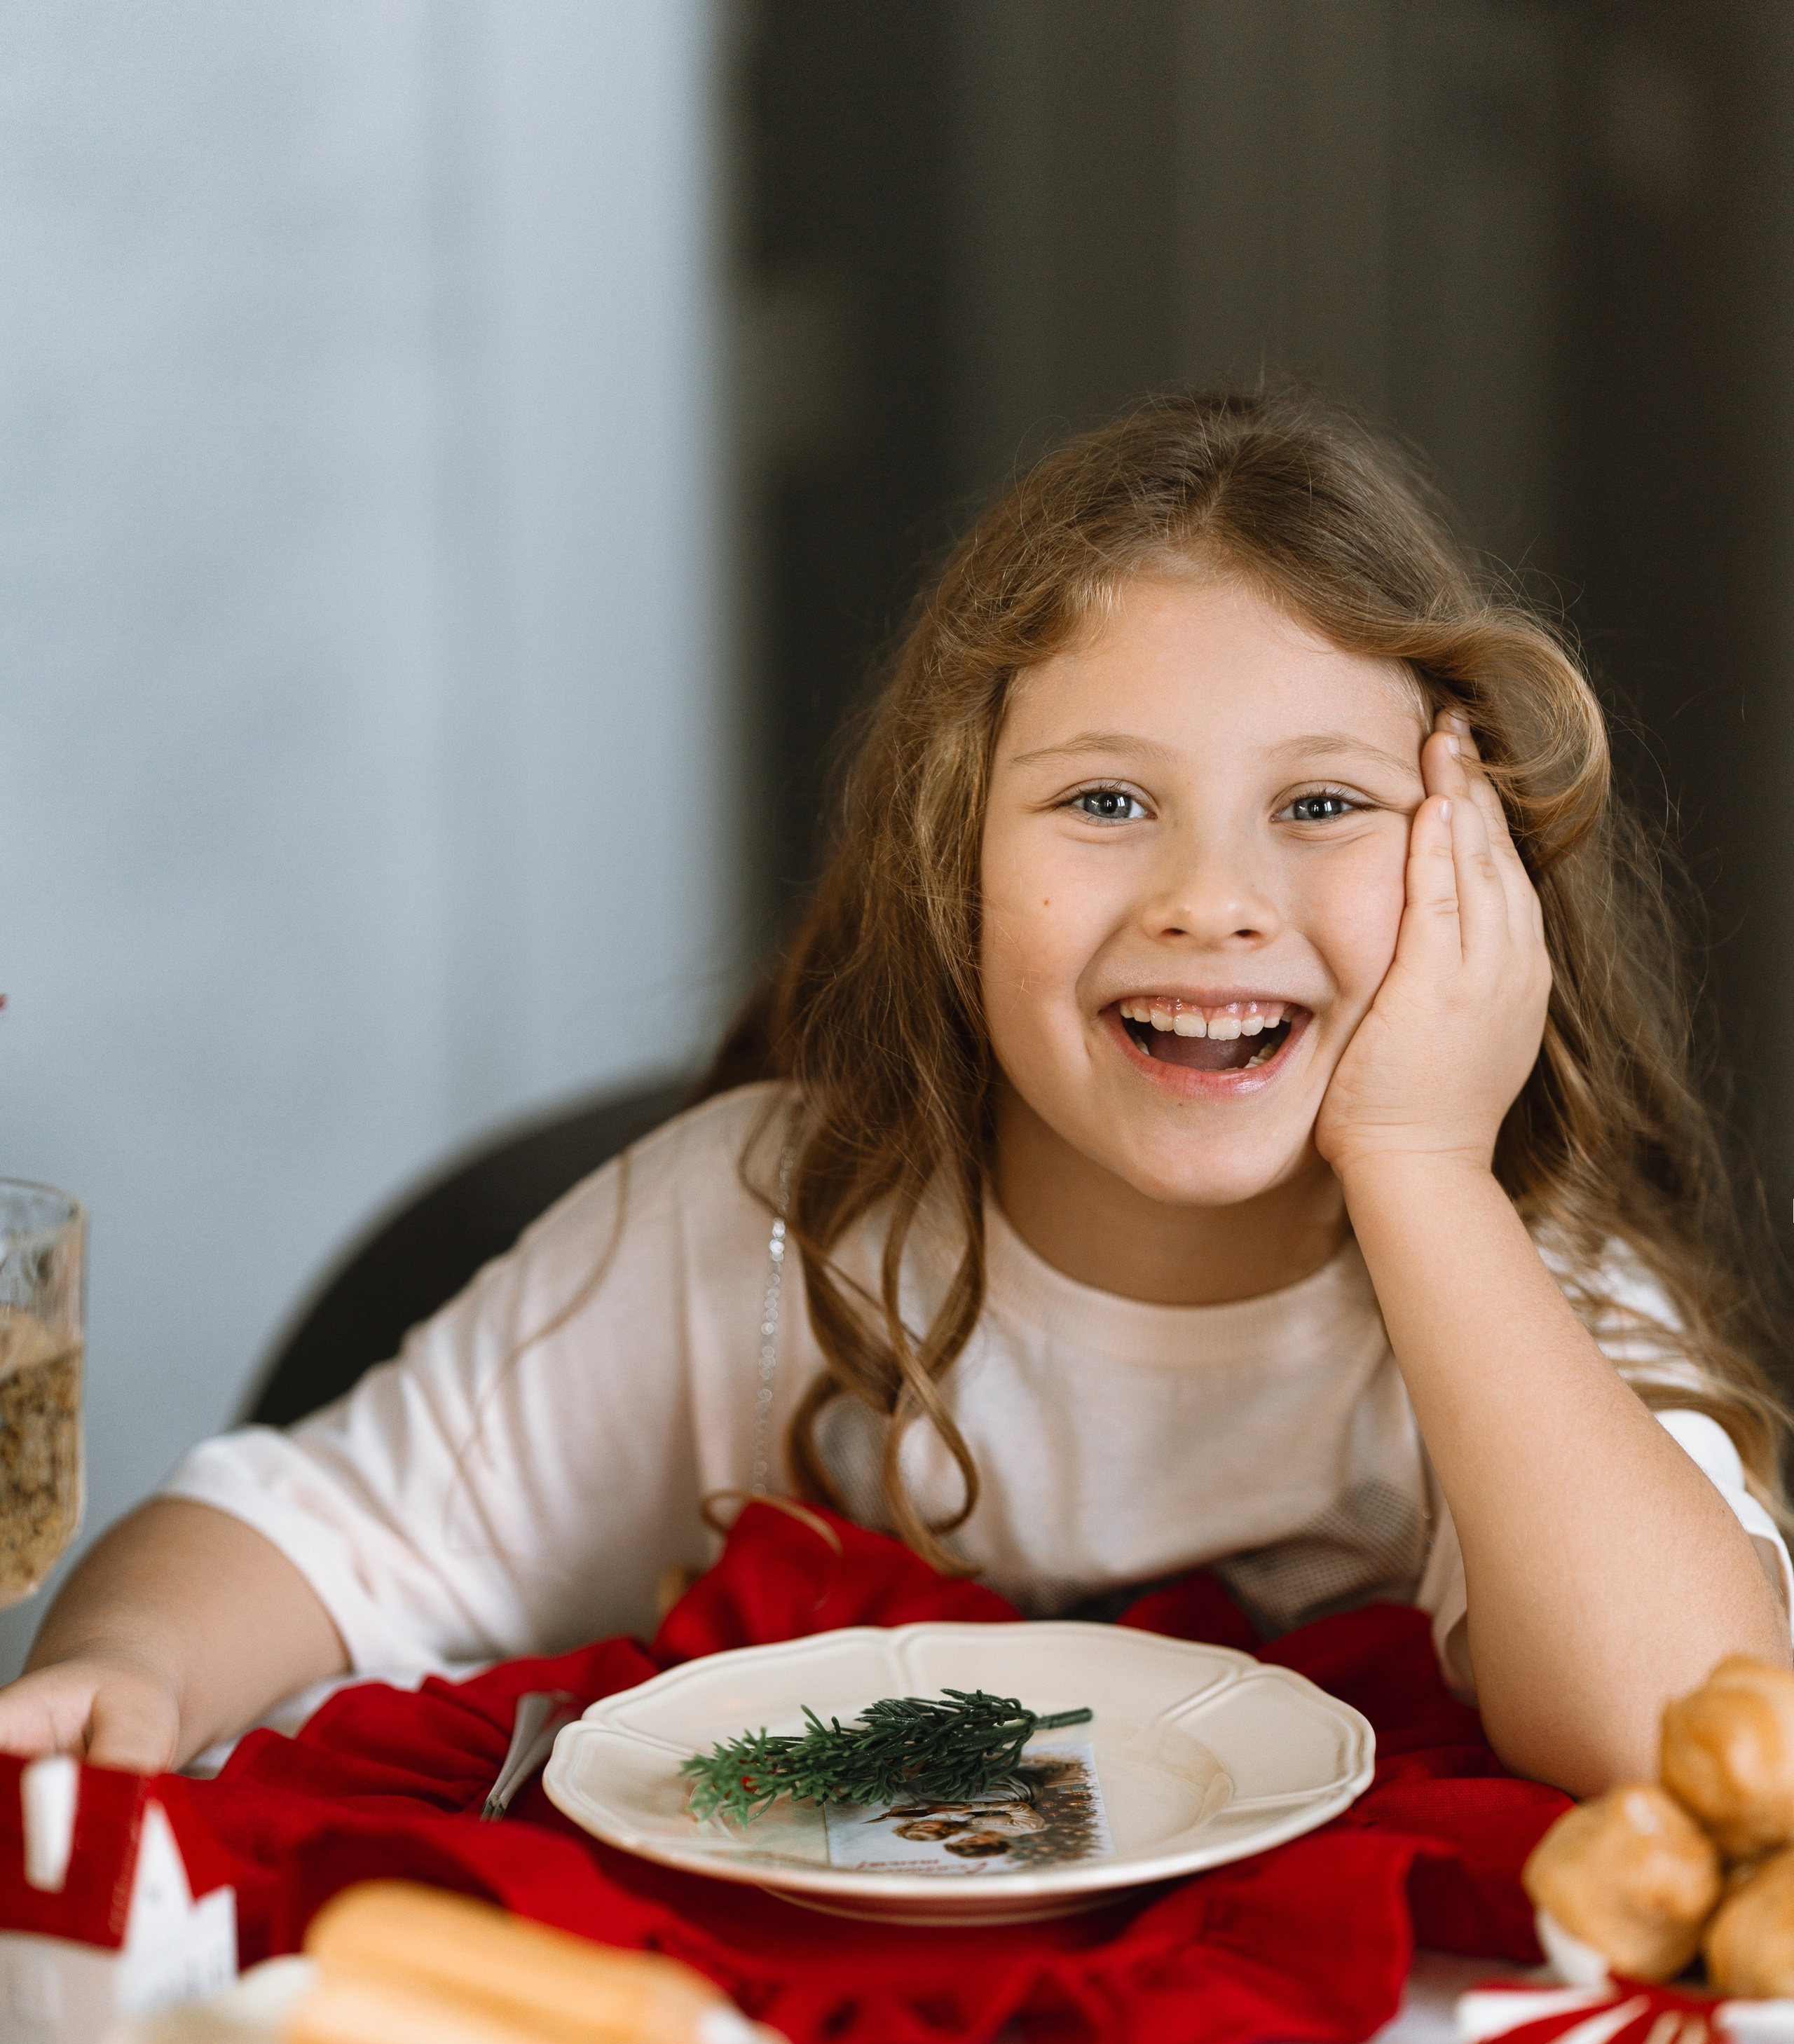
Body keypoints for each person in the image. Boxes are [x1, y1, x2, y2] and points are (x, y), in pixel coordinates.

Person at [5, 392, 1788, 1798]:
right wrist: (129, 1670)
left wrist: (1419, 1170)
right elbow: (304, 1532)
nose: (1210, 899)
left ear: (1474, 882)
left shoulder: (1513, 1276)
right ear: (953, 860)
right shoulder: (756, 1229)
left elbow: (1689, 1733)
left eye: (1320, 806)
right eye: (1105, 802)